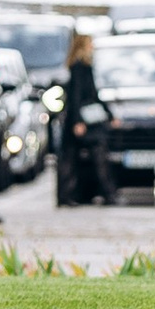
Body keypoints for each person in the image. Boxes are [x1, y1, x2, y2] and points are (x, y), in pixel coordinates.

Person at [55, 27, 107, 206]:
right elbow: (76, 95)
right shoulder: (79, 67)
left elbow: (94, 94)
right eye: (90, 43)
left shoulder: (84, 66)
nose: (92, 46)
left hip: (80, 118)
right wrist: (77, 121)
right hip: (78, 119)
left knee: (74, 158)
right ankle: (66, 195)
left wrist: (108, 112)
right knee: (69, 158)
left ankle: (74, 195)